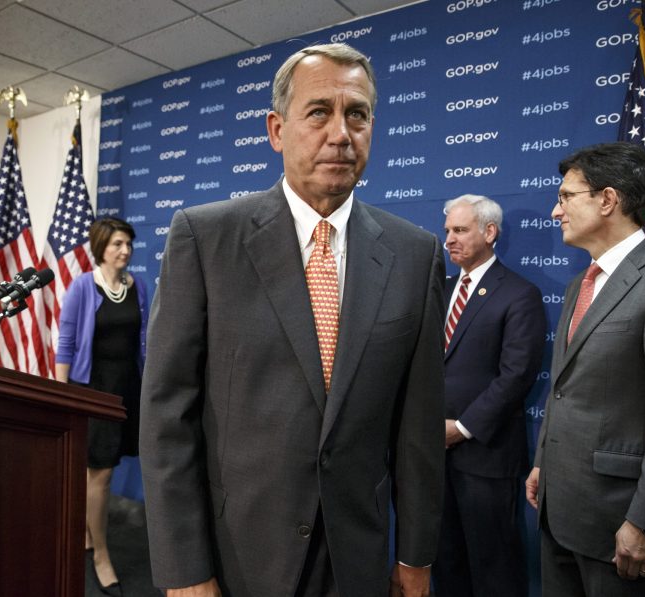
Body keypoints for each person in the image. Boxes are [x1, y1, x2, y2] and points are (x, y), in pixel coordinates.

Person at [139, 43, 446, 597]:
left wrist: (416, 556)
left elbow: (417, 429)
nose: (341, 133)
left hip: (358, 559)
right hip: (238, 556)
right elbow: (167, 418)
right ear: (277, 130)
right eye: (319, 112)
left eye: (357, 113)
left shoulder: (415, 254)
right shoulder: (205, 239)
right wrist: (185, 572)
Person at [525, 142, 645, 597]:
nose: (555, 212)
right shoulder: (580, 285)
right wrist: (542, 465)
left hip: (625, 531)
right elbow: (566, 388)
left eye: (566, 196)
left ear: (607, 200)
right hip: (562, 515)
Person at [432, 195, 546, 597]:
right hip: (432, 455)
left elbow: (516, 377)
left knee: (493, 566)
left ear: (489, 232)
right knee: (444, 562)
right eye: (447, 231)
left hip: (486, 457)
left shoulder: (519, 294)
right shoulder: (441, 291)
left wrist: (462, 428)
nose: (449, 240)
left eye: (460, 230)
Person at [56, 217, 148, 596]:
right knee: (101, 475)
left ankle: (87, 534)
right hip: (93, 390)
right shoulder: (82, 286)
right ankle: (101, 554)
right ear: (101, 247)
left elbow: (143, 339)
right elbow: (66, 341)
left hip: (129, 388)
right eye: (117, 244)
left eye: (128, 243)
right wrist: (61, 396)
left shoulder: (136, 285)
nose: (125, 250)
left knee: (101, 470)